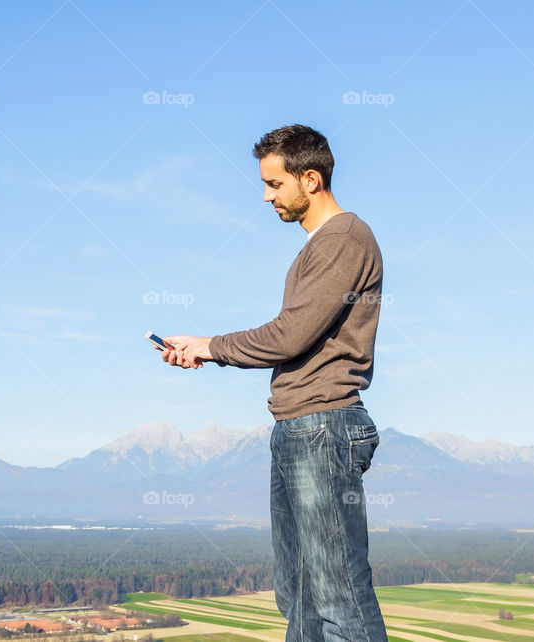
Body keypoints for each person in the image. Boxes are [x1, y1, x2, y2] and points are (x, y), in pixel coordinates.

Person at [160, 124, 389, 641]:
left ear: (310, 179)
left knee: (338, 598)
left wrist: (208, 345)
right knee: (300, 597)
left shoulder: (344, 240)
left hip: (323, 425)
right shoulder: (320, 246)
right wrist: (210, 349)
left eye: (274, 184)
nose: (266, 196)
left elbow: (290, 336)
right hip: (298, 427)